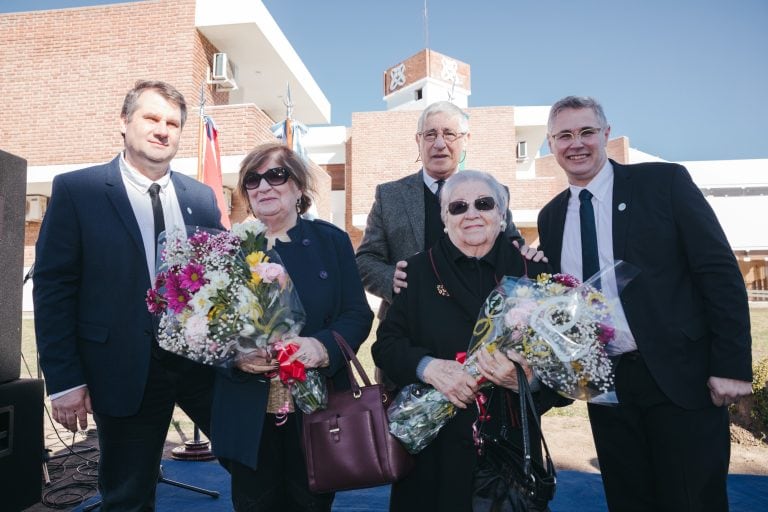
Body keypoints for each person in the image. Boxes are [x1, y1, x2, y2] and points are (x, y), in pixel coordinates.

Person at [537, 95, 753, 511]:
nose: (576, 143)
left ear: (605, 134)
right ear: (550, 145)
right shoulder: (551, 218)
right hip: (609, 388)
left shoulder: (664, 183)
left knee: (693, 500)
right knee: (628, 498)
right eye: (564, 135)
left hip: (681, 378)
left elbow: (719, 272)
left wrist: (731, 366)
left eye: (586, 132)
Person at [33, 80, 225, 510]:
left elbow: (218, 281)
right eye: (151, 118)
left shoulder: (202, 197)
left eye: (173, 123)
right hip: (121, 368)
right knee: (128, 495)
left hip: (201, 367)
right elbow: (54, 288)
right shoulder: (76, 191)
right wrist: (65, 380)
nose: (163, 130)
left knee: (253, 461)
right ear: (124, 122)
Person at [372, 170, 568, 512]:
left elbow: (567, 366)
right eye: (458, 206)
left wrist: (528, 381)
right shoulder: (416, 272)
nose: (472, 213)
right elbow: (386, 345)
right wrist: (427, 367)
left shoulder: (534, 274)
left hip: (509, 456)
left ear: (502, 213)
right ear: (445, 218)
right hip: (433, 450)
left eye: (484, 203)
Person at [210, 143, 374, 512]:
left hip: (316, 411)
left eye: (276, 175)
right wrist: (235, 356)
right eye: (253, 180)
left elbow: (357, 314)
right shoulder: (226, 249)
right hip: (247, 413)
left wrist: (322, 347)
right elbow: (206, 330)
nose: (264, 186)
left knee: (310, 504)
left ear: (299, 188)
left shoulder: (331, 241)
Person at [355, 101, 525, 320]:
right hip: (410, 322)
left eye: (449, 134)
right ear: (418, 140)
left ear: (466, 140)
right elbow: (366, 260)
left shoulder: (493, 194)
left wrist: (526, 252)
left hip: (481, 322)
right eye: (430, 134)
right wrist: (391, 279)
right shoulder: (389, 196)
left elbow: (512, 247)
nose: (439, 144)